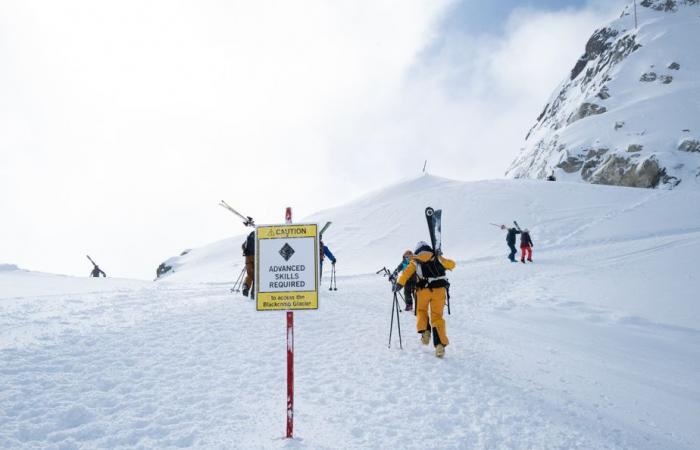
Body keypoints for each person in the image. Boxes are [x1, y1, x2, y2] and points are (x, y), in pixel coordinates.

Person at [395, 241, 456, 358]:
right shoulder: (437, 256)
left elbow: (406, 274)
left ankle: (425, 332)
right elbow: (452, 265)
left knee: (421, 311)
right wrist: (440, 257)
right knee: (437, 317)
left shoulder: (415, 260)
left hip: (423, 291)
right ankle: (439, 346)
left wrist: (399, 285)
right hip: (439, 291)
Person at [241, 230, 255, 297]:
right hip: (256, 258)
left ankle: (245, 286)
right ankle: (253, 293)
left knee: (250, 275)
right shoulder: (259, 236)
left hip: (248, 259)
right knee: (257, 276)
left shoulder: (249, 238)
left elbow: (243, 246)